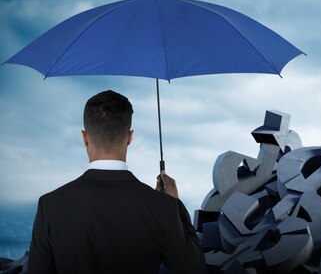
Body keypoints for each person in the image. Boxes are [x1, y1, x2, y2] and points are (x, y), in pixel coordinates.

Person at [28, 90, 204, 273]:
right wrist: (174, 204)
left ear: (84, 137)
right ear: (130, 137)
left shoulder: (50, 206)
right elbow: (194, 268)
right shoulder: (161, 206)